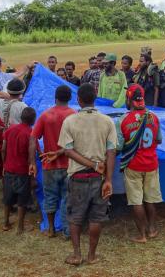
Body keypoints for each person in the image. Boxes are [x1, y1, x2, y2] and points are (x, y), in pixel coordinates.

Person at [58, 83, 116, 266]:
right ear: (95, 97)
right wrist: (108, 179)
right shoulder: (107, 121)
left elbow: (67, 151)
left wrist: (92, 164)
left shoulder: (70, 121)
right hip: (99, 179)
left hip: (77, 178)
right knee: (96, 217)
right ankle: (92, 256)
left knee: (75, 217)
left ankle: (76, 255)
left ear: (78, 100)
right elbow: (111, 152)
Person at [116, 84, 162, 243]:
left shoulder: (123, 120)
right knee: (150, 199)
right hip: (151, 164)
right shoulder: (154, 117)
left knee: (136, 201)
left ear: (129, 99)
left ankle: (141, 235)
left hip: (133, 165)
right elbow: (159, 140)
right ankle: (152, 229)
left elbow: (119, 146)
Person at [30, 85, 76, 239]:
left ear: (55, 97)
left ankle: (51, 229)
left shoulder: (45, 115)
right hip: (69, 165)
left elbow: (33, 138)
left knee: (50, 197)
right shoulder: (73, 115)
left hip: (49, 165)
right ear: (70, 98)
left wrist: (34, 159)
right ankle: (66, 230)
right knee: (67, 198)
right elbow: (76, 142)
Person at [2, 107, 37, 234]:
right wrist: (32, 175)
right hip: (22, 171)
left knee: (8, 197)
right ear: (33, 120)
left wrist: (4, 164)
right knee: (22, 200)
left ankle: (5, 223)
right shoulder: (30, 133)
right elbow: (31, 155)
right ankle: (20, 227)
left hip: (9, 169)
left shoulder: (10, 129)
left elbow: (3, 149)